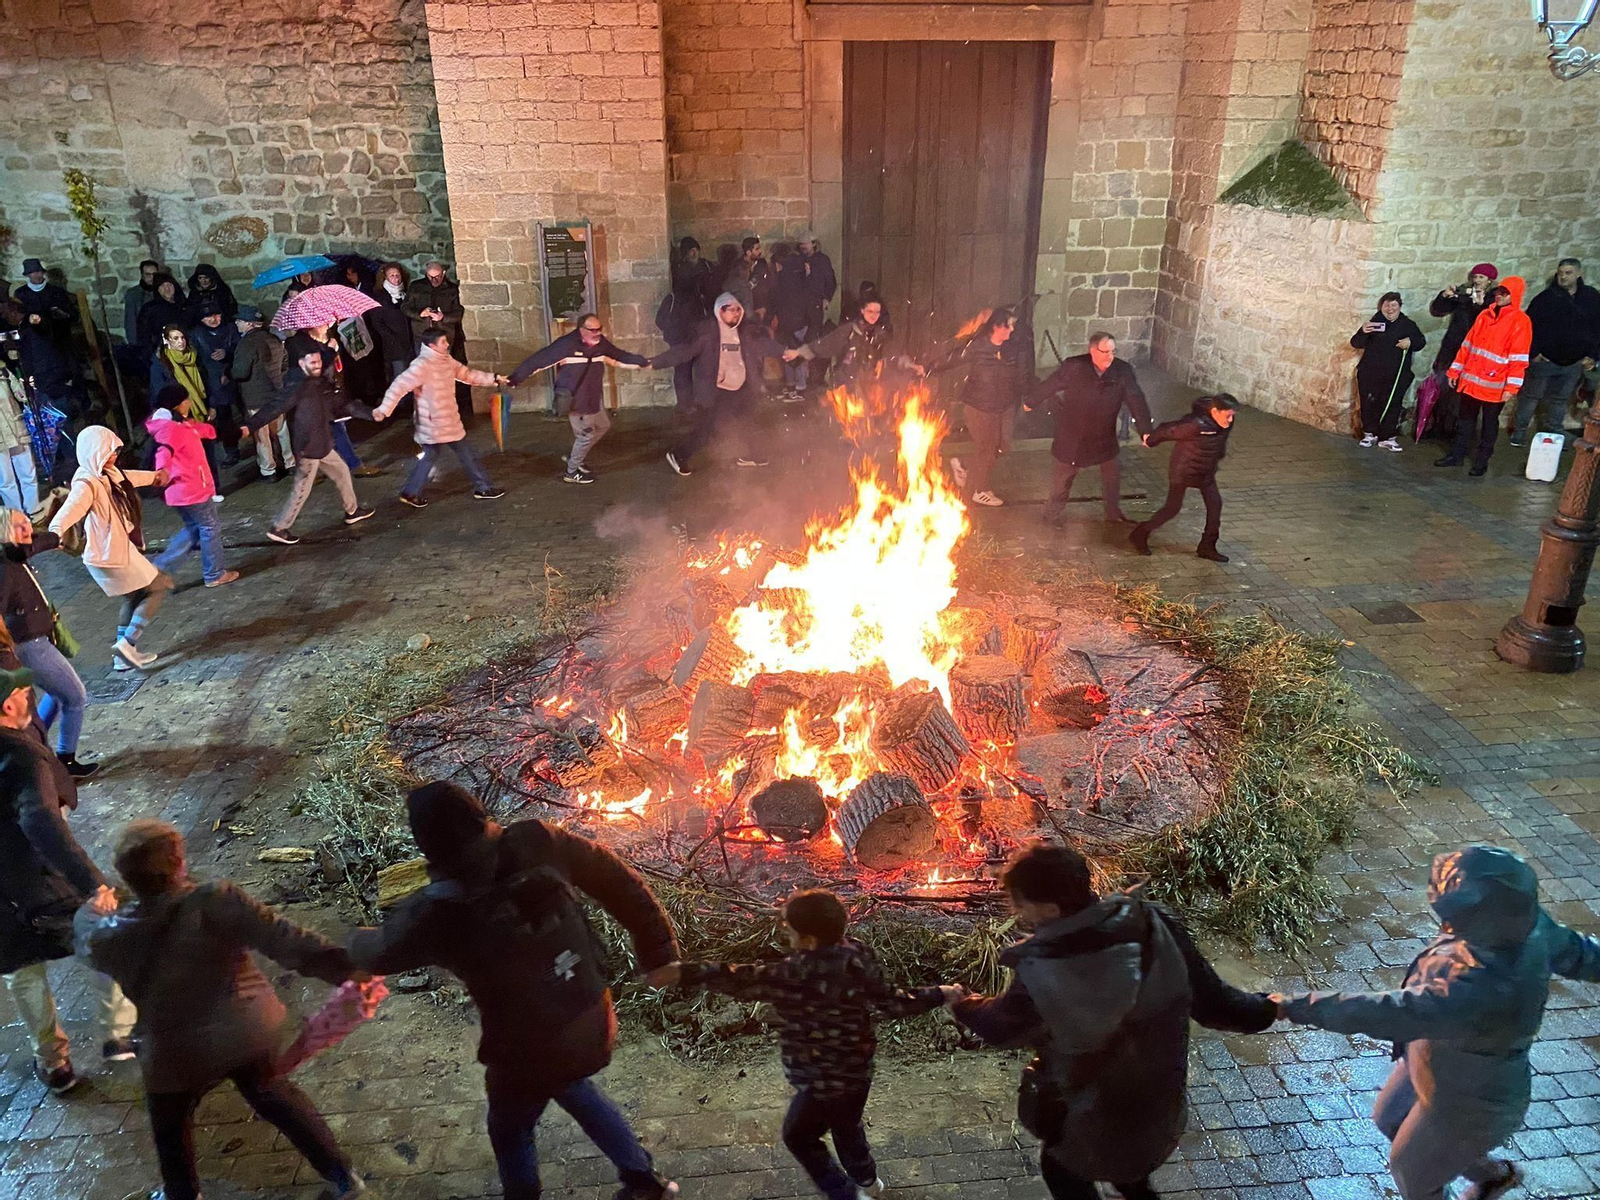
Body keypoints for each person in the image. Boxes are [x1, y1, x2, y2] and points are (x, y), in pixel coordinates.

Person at [347, 780, 681, 1200]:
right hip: (590, 1011)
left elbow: (380, 950)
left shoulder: (437, 909)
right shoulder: (538, 840)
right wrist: (659, 951)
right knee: (571, 1083)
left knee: (509, 1127)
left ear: (427, 846)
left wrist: (349, 946)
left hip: (524, 1048)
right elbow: (617, 879)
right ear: (478, 813)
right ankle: (644, 1180)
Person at [950, 842, 1275, 1200]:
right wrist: (1266, 1008)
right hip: (1161, 1112)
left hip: (1091, 1121)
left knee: (1062, 1170)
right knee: (1131, 1170)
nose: (1018, 910)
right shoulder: (1153, 923)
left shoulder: (1043, 967)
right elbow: (1218, 1005)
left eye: (1022, 902)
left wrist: (963, 1004)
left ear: (1050, 908)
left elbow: (1003, 1028)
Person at [1272, 845, 1600, 1200]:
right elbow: (1584, 955)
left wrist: (1295, 1007)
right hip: (1439, 1063)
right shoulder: (1527, 926)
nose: (1445, 925)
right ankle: (1493, 1175)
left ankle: (1478, 1177)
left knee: (1411, 1171)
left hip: (1470, 1101)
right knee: (1390, 1120)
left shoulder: (1482, 987)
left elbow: (1391, 1012)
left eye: (1455, 917)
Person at [77, 819, 368, 1200]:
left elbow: (85, 938)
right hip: (247, 1029)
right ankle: (345, 1180)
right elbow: (286, 940)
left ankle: (182, 1194)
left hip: (175, 1050)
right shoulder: (214, 900)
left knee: (169, 1122)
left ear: (126, 878)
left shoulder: (110, 936)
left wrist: (90, 911)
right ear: (178, 860)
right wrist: (350, 970)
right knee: (273, 1094)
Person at [660, 890, 953, 1200]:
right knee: (847, 1127)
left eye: (789, 927)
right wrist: (940, 993)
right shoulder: (859, 955)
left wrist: (683, 973)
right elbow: (893, 1001)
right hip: (857, 1071)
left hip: (821, 1079)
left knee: (798, 1136)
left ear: (809, 940)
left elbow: (741, 979)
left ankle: (846, 1194)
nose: (785, 930)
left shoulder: (795, 973)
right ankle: (867, 1181)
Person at [0, 664, 133, 1095]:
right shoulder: (20, 754)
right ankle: (119, 1035)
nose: (30, 701)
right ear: (7, 705)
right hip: (40, 883)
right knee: (101, 937)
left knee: (22, 972)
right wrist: (93, 883)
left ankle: (54, 1063)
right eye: (24, 693)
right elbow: (40, 820)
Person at [48, 426, 171, 671]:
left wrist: (154, 476)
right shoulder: (87, 483)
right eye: (109, 451)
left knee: (134, 597)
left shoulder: (109, 473)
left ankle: (122, 657)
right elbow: (70, 509)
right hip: (110, 554)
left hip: (114, 551)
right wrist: (54, 533)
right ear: (94, 452)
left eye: (115, 451)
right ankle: (127, 644)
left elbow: (129, 477)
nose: (114, 456)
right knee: (160, 586)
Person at [0, 510, 98, 776]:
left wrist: (57, 537)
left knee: (59, 694)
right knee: (75, 696)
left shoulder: (15, 552)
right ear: (4, 532)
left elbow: (36, 543)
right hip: (30, 645)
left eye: (28, 525)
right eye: (20, 527)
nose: (28, 531)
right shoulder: (4, 568)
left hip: (37, 641)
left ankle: (37, 742)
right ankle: (65, 759)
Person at [241, 351, 375, 545]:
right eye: (313, 362)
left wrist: (371, 414)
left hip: (322, 444)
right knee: (301, 488)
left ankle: (352, 511)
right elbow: (275, 406)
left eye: (319, 361)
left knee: (342, 472)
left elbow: (342, 406)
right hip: (309, 447)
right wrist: (250, 426)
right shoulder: (298, 387)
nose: (317, 365)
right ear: (302, 362)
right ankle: (280, 527)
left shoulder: (319, 385)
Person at [651, 292, 787, 476]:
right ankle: (678, 455)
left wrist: (787, 351)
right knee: (709, 428)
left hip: (741, 386)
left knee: (748, 420)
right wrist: (653, 362)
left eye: (738, 310)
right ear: (719, 311)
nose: (736, 314)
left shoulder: (744, 332)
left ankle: (752, 455)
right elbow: (683, 351)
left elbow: (763, 344)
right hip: (718, 389)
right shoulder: (707, 333)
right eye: (731, 311)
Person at [505, 313, 650, 484]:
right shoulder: (566, 345)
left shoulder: (601, 343)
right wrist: (515, 378)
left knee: (603, 425)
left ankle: (576, 456)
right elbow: (538, 360)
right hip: (577, 400)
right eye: (593, 330)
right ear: (581, 329)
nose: (597, 333)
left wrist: (642, 361)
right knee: (585, 436)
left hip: (594, 397)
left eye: (599, 329)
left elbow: (619, 355)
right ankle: (572, 472)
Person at [372, 328, 506, 504]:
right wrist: (383, 410)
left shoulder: (446, 361)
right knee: (461, 453)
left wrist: (494, 378)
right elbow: (399, 386)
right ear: (431, 345)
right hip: (434, 422)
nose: (447, 344)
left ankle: (411, 492)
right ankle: (483, 488)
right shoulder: (422, 365)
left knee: (441, 455)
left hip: (447, 420)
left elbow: (467, 375)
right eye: (443, 342)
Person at [1029, 331, 1153, 522]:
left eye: (1112, 351)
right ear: (1093, 351)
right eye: (1105, 352)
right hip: (1073, 435)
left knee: (1112, 474)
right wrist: (1031, 401)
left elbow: (1135, 398)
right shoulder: (1075, 366)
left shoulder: (1122, 371)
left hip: (1104, 435)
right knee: (1063, 478)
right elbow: (1052, 384)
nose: (1110, 357)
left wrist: (1145, 430)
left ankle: (1113, 513)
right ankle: (1051, 515)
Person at [1436, 277, 1531, 477]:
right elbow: (1468, 346)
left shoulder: (1520, 322)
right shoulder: (1484, 316)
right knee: (1465, 420)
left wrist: (1511, 388)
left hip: (1495, 385)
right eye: (1499, 291)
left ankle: (1481, 461)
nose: (1500, 295)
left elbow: (1518, 358)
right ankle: (1457, 455)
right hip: (1472, 380)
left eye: (1505, 293)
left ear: (1514, 296)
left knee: (1489, 424)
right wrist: (1455, 371)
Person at [1130, 393, 1238, 562]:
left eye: (1233, 416)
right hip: (1183, 471)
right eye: (1228, 416)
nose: (1230, 420)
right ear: (1215, 411)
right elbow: (1168, 430)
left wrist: (1218, 456)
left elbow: (1220, 441)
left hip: (1205, 472)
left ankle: (1207, 547)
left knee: (1215, 505)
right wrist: (1150, 440)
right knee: (1172, 508)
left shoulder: (1225, 422)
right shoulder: (1194, 424)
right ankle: (1139, 534)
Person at [147, 389, 238, 588]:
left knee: (194, 528)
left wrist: (236, 431)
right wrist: (161, 472)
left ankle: (161, 568)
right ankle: (214, 573)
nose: (189, 402)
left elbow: (202, 430)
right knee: (209, 527)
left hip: (184, 490)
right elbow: (164, 451)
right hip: (190, 488)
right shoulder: (170, 428)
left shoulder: (180, 423)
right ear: (177, 404)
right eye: (186, 399)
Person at [1512, 257, 1600, 448]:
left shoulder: (1591, 298)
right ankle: (1519, 432)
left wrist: (1593, 356)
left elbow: (1597, 328)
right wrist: (1534, 353)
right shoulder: (1546, 299)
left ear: (1578, 274)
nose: (1563, 277)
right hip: (1545, 360)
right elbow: (1529, 326)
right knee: (1530, 397)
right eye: (1560, 273)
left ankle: (1555, 430)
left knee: (1560, 399)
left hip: (1574, 361)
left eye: (1568, 273)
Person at [1425, 263, 1497, 442]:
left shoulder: (1493, 298)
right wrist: (1444, 296)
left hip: (1475, 352)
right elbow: (1439, 309)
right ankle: (1437, 427)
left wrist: (1481, 305)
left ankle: (1458, 432)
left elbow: (1493, 321)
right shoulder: (1463, 293)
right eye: (1475, 276)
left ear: (1490, 280)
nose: (1477, 280)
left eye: (1481, 277)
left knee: (1464, 395)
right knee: (1443, 388)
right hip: (1453, 348)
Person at [149, 324, 222, 500]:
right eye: (175, 338)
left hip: (200, 411)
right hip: (180, 416)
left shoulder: (194, 357)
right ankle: (194, 492)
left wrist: (211, 404)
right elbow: (161, 393)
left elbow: (206, 381)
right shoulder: (161, 365)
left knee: (207, 454)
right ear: (167, 341)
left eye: (182, 337)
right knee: (189, 457)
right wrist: (177, 414)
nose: (180, 342)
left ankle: (213, 490)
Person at [784, 296, 908, 393]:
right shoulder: (848, 331)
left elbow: (892, 352)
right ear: (862, 311)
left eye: (877, 312)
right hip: (845, 386)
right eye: (870, 311)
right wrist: (798, 352)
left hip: (869, 387)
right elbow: (824, 345)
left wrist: (909, 364)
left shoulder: (880, 334)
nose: (874, 315)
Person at [1350, 292, 1425, 451]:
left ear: (1399, 307)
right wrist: (1363, 331)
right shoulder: (1374, 324)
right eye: (1386, 305)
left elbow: (1420, 342)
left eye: (1393, 305)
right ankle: (1370, 433)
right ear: (1381, 307)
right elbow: (1356, 343)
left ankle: (1387, 436)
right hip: (1371, 373)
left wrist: (1410, 342)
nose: (1390, 309)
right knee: (1369, 403)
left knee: (1392, 404)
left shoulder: (1407, 324)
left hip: (1396, 374)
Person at [230, 305, 294, 479]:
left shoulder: (246, 343)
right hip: (277, 394)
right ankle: (290, 462)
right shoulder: (274, 339)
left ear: (250, 324)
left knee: (262, 435)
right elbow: (285, 365)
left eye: (240, 320)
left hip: (256, 398)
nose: (237, 323)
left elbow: (239, 372)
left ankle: (269, 470)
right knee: (281, 430)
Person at [190, 300, 242, 467]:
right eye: (207, 316)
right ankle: (232, 452)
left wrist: (227, 353)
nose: (213, 319)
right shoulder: (197, 334)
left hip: (236, 377)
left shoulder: (230, 329)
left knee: (245, 413)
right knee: (224, 418)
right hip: (213, 382)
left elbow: (241, 348)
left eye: (216, 314)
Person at [12, 259, 78, 358]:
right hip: (35, 342)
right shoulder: (21, 294)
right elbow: (18, 318)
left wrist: (61, 314)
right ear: (28, 275)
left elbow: (73, 315)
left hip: (59, 338)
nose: (37, 275)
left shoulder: (57, 292)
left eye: (39, 272)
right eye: (33, 273)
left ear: (43, 273)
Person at [0, 357, 38, 515]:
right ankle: (16, 516)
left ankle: (34, 511)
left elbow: (21, 394)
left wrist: (27, 387)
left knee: (28, 472)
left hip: (16, 429)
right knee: (6, 481)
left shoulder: (3, 372)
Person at [365, 263, 414, 385]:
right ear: (385, 278)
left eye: (398, 275)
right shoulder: (379, 297)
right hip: (394, 346)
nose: (396, 278)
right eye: (392, 275)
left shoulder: (405, 295)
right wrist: (392, 338)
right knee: (400, 378)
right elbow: (377, 323)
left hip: (409, 343)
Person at [402, 260, 465, 350]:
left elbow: (459, 313)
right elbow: (405, 307)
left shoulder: (452, 289)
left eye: (437, 276)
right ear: (426, 274)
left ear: (443, 273)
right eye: (431, 277)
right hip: (421, 335)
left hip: (444, 335)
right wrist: (420, 314)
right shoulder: (416, 287)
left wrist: (443, 317)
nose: (434, 280)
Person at [135, 275, 187, 361]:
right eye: (162, 286)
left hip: (187, 351)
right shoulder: (149, 309)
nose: (167, 289)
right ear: (157, 289)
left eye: (169, 285)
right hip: (161, 353)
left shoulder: (186, 305)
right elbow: (143, 335)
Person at [123, 259, 162, 347]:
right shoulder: (133, 294)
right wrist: (134, 345)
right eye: (148, 275)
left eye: (154, 274)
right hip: (144, 342)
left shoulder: (163, 291)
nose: (152, 277)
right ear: (142, 275)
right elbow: (130, 322)